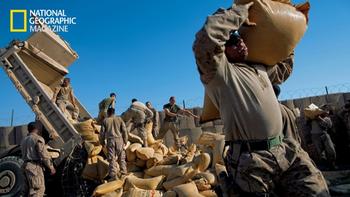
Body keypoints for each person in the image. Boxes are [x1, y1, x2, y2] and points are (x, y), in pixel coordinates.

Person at [193, 2, 329, 196]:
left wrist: (289, 37)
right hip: (252, 161)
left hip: (286, 150)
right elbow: (206, 40)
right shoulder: (219, 73)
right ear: (223, 50)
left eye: (240, 39)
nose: (239, 42)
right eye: (232, 42)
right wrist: (241, 8)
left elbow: (284, 69)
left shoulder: (260, 67)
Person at [21, 122, 56, 197]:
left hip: (24, 166)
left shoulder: (24, 140)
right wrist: (51, 167)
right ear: (36, 129)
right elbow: (43, 154)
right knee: (38, 190)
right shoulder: (37, 139)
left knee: (26, 191)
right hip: (34, 167)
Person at [99, 108, 128, 180]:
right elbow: (124, 131)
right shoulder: (119, 119)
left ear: (108, 113)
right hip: (119, 140)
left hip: (110, 140)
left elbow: (102, 133)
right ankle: (123, 173)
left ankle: (113, 175)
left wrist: (102, 142)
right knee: (121, 157)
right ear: (114, 112)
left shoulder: (105, 120)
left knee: (112, 158)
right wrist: (125, 141)